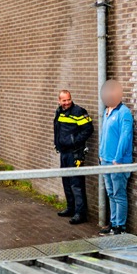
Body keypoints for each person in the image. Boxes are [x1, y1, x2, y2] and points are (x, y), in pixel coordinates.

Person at [98, 79, 134, 235]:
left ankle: (120, 226)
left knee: (119, 194)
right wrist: (100, 154)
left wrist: (118, 158)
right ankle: (112, 223)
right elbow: (104, 135)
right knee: (110, 193)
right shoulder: (107, 111)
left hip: (117, 162)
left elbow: (125, 137)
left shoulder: (123, 112)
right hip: (105, 160)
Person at [53, 90, 94, 225]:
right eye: (64, 100)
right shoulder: (59, 112)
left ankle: (80, 213)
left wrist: (74, 141)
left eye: (68, 99)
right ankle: (71, 208)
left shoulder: (79, 111)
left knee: (76, 183)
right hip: (64, 152)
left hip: (75, 153)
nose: (66, 103)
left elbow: (88, 129)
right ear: (59, 101)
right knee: (66, 181)